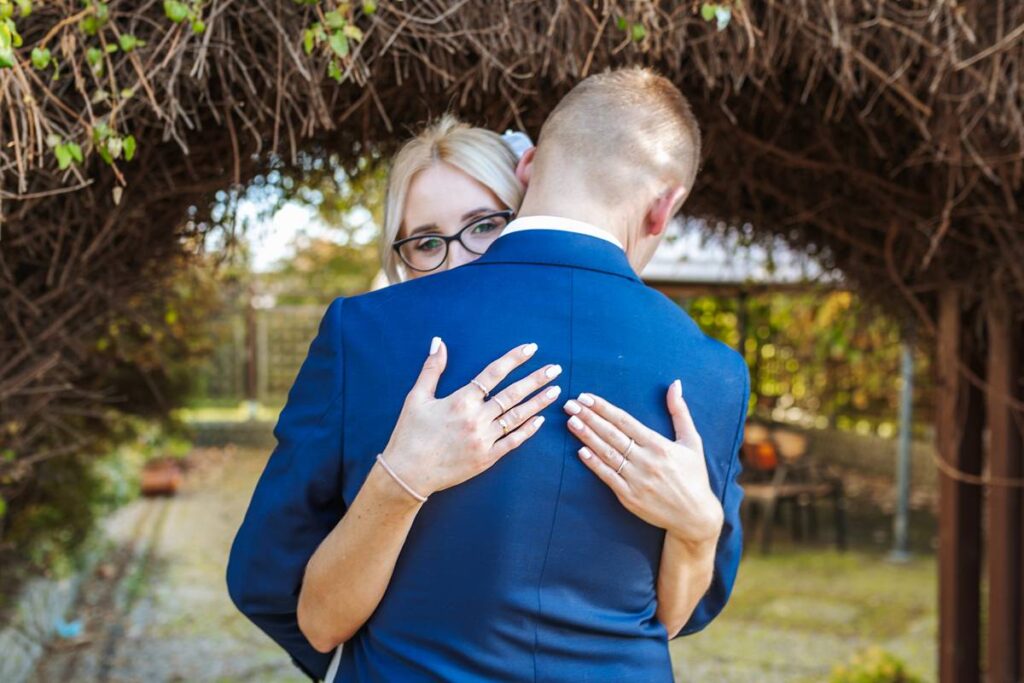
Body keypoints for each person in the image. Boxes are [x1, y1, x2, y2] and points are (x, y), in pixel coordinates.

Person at [227, 67, 750, 683]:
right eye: (426, 242)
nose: (458, 257)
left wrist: (699, 527)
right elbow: (671, 620)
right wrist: (399, 479)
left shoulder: (363, 333)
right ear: (663, 208)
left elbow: (270, 580)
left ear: (526, 170)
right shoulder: (716, 374)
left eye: (482, 226)